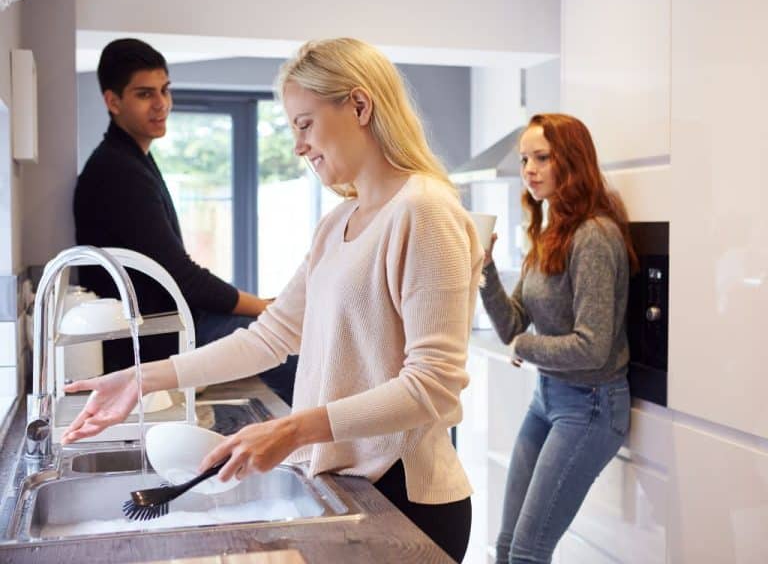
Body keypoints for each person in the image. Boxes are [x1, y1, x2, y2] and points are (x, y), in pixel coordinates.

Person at [63, 37, 484, 563]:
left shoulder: (425, 211)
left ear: (359, 105)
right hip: (348, 484)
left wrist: (292, 429)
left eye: (305, 124)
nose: (299, 146)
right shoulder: (337, 224)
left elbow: (434, 387)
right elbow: (271, 335)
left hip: (406, 499)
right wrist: (142, 377)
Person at [73, 38, 296, 405]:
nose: (161, 104)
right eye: (145, 94)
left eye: (164, 90)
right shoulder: (118, 171)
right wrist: (263, 307)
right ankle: (330, 436)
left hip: (164, 325)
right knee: (273, 337)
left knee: (272, 330)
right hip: (151, 336)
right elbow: (181, 276)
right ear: (113, 102)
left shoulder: (129, 160)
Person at [480, 114, 638, 564]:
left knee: (528, 553)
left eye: (541, 158)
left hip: (591, 405)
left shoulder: (594, 237)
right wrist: (484, 269)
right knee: (508, 547)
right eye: (525, 159)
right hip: (547, 398)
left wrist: (525, 349)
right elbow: (512, 325)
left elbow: (592, 345)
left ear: (571, 160)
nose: (529, 169)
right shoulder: (548, 235)